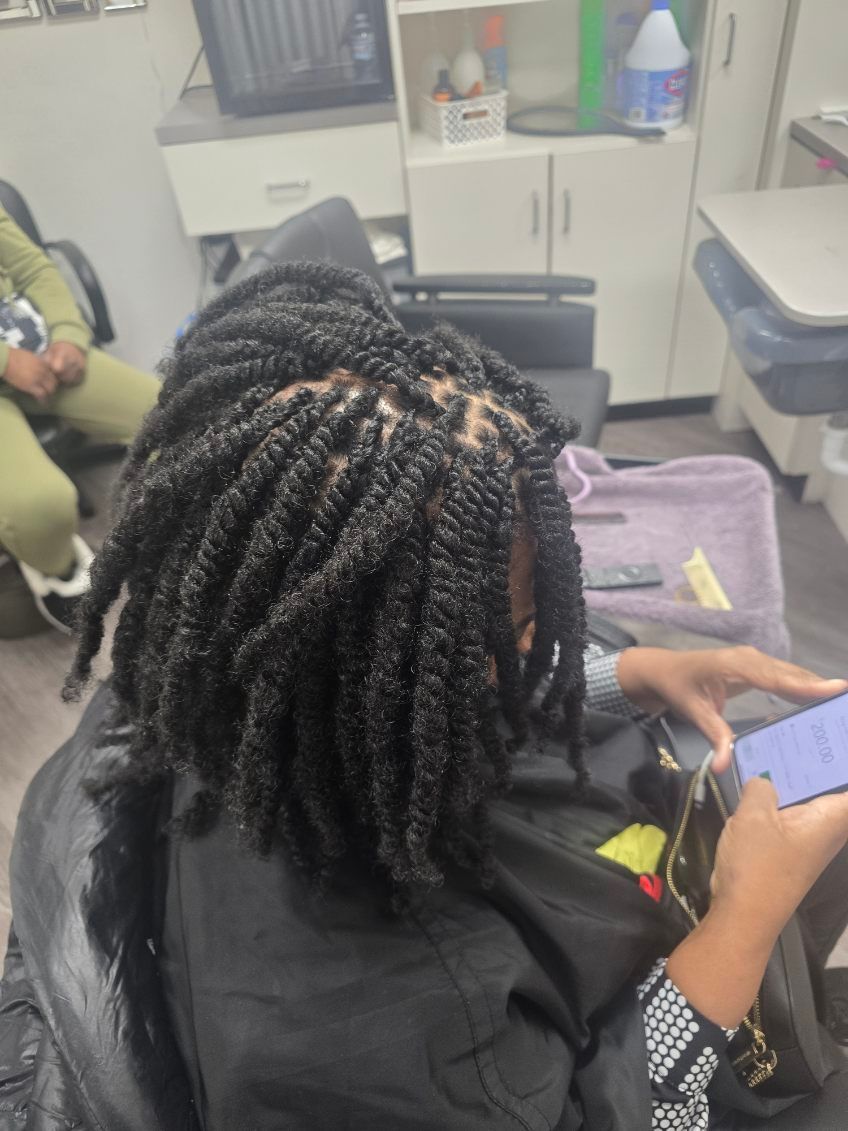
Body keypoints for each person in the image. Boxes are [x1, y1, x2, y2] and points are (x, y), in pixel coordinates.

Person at [1, 262, 847, 1131]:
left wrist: (628, 677)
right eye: (518, 629)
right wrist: (744, 919)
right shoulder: (365, 1032)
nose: (540, 647)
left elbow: (459, 711)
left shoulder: (245, 694)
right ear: (379, 668)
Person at [0, 205, 159, 634]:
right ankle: (56, 565)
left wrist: (68, 333)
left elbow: (33, 268)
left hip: (37, 348)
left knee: (178, 414)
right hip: (9, 362)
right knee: (41, 506)